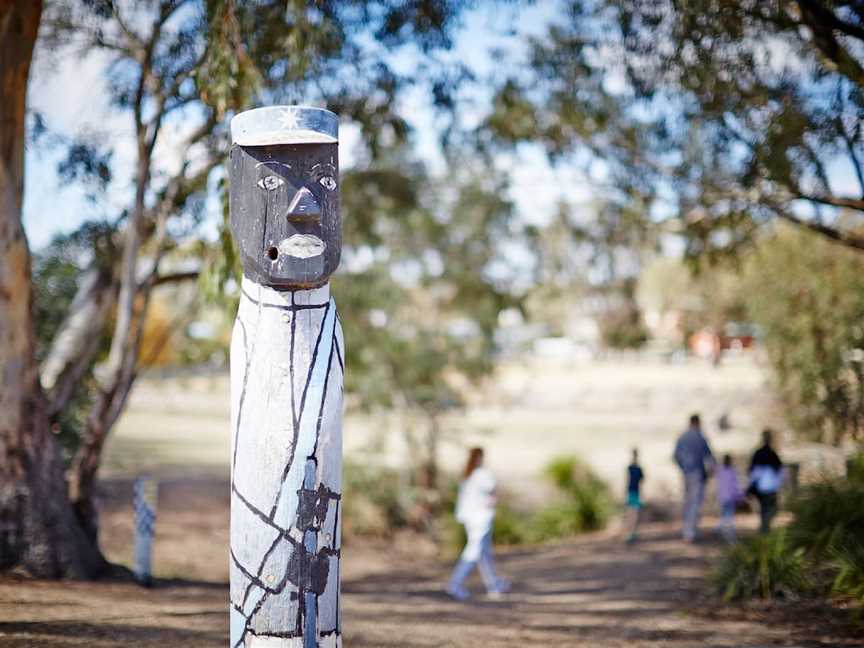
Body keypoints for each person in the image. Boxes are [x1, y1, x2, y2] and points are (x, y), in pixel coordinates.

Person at [447, 447, 509, 601]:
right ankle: (455, 584)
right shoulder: (482, 474)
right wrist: (492, 501)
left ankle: (493, 585)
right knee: (474, 551)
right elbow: (493, 492)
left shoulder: (467, 475)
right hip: (481, 519)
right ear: (480, 457)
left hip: (470, 519)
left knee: (484, 553)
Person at [673, 413, 715, 542]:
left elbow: (676, 456)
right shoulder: (700, 437)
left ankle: (687, 530)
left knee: (687, 501)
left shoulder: (682, 437)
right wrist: (711, 472)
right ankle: (691, 532)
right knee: (695, 502)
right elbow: (709, 457)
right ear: (697, 423)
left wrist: (683, 468)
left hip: (686, 473)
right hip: (697, 473)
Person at [748, 428, 783, 533]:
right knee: (768, 509)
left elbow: (752, 471)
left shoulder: (764, 453)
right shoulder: (770, 454)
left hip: (764, 487)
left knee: (767, 509)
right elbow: (779, 471)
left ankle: (764, 527)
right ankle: (765, 528)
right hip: (767, 487)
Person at [716, 454, 742, 543]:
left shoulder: (720, 471)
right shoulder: (732, 472)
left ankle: (719, 529)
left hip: (722, 497)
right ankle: (730, 536)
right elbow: (735, 486)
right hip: (731, 497)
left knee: (724, 514)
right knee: (729, 517)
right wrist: (740, 496)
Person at [625, 448, 644, 543]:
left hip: (635, 493)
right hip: (632, 492)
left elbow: (641, 483)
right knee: (631, 514)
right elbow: (627, 480)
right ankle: (630, 534)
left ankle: (632, 533)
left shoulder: (637, 468)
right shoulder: (631, 468)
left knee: (634, 514)